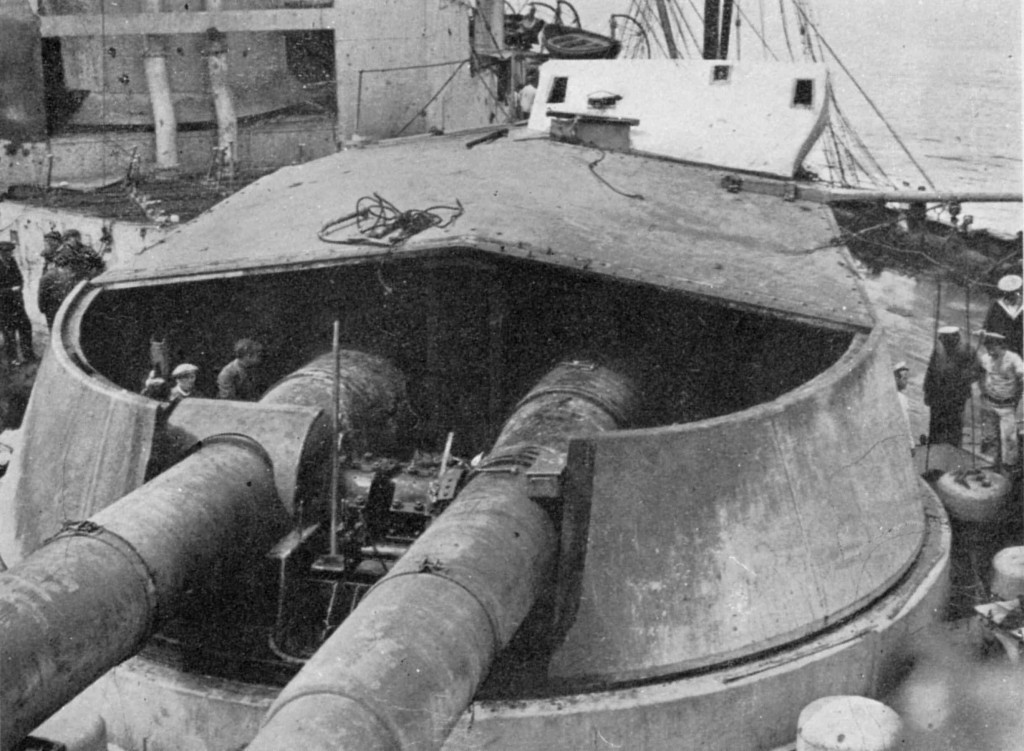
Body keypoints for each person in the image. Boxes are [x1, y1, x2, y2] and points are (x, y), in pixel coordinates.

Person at [975, 332, 1023, 471]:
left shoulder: (1014, 359)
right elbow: (979, 373)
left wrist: (1019, 399)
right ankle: (989, 463)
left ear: (1001, 346)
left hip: (1007, 406)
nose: (989, 351)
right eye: (987, 347)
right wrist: (982, 389)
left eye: (992, 347)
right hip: (989, 403)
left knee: (1009, 439)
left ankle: (1009, 467)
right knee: (989, 437)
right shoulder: (985, 358)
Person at [923, 326, 974, 447]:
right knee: (936, 426)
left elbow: (975, 371)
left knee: (954, 427)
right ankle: (935, 448)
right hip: (937, 396)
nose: (941, 340)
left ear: (953, 338)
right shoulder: (939, 349)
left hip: (955, 398)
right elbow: (931, 370)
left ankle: (952, 450)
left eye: (944, 338)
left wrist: (962, 382)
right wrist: (927, 391)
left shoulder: (967, 350)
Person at [0, 241, 35, 365]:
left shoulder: (12, 262)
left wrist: (19, 287)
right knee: (9, 333)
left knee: (26, 327)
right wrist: (10, 290)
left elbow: (20, 278)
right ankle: (12, 358)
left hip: (17, 303)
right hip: (3, 307)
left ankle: (28, 355)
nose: (9, 254)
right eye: (6, 252)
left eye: (10, 251)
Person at [983, 274, 1022, 357]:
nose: (1011, 295)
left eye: (1013, 293)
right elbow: (988, 324)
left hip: (1019, 343)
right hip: (1002, 344)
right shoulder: (997, 305)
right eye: (1008, 293)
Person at [893, 361, 915, 451]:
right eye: (904, 378)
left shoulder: (892, 395)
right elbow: (905, 422)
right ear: (896, 379)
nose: (907, 381)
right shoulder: (900, 398)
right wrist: (911, 444)